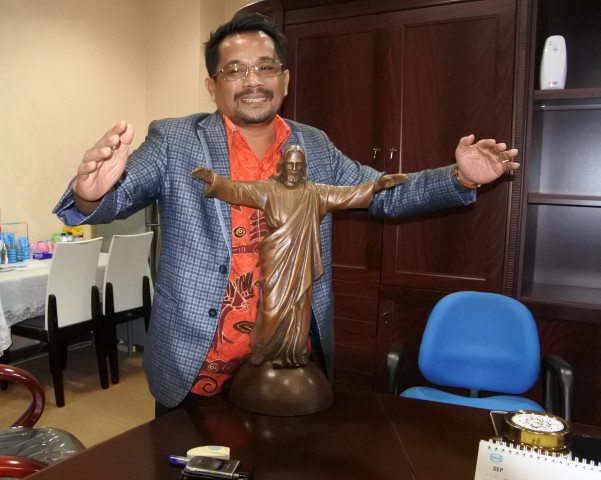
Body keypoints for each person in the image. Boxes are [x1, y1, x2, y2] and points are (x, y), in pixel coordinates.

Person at [53, 13, 519, 415]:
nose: (252, 81)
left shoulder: (314, 144)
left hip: (292, 360)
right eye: (235, 70)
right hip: (196, 362)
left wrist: (460, 178)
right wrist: (90, 195)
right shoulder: (175, 140)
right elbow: (121, 194)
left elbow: (381, 193)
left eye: (265, 67)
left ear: (285, 79)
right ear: (213, 86)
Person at [191, 146, 407, 368]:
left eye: (298, 165)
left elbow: (347, 195)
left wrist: (375, 186)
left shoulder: (315, 193)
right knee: (271, 307)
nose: (294, 169)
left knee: (299, 307)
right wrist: (214, 180)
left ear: (303, 168)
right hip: (276, 258)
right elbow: (238, 190)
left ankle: (293, 353)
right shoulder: (268, 189)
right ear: (283, 166)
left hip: (302, 261)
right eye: (290, 165)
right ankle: (265, 350)